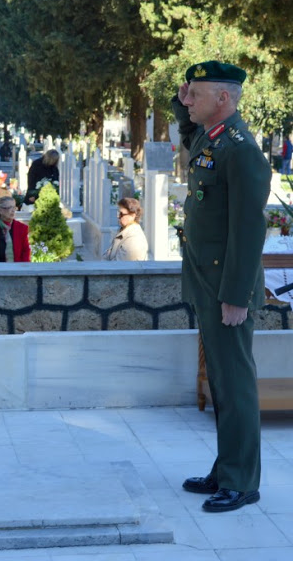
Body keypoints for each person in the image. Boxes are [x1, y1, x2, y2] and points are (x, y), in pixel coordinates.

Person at [172, 60, 271, 513]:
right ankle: (225, 467)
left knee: (235, 384)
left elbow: (249, 231)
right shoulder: (211, 139)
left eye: (195, 94)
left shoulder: (241, 150)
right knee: (221, 384)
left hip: (226, 289)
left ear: (223, 100)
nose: (187, 101)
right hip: (206, 281)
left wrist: (235, 295)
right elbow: (188, 130)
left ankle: (241, 480)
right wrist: (181, 98)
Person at [0, 195, 31, 262]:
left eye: (14, 207)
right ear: (0, 210)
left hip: (17, 270)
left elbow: (26, 252)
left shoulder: (22, 228)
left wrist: (21, 269)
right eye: (9, 207)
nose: (13, 210)